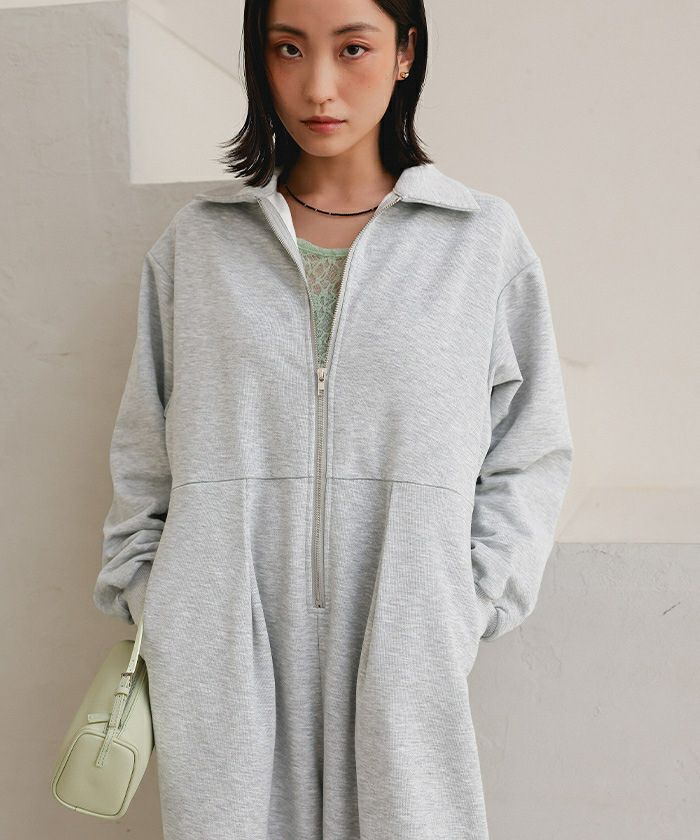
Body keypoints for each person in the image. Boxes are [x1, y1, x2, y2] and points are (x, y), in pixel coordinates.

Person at [93, 1, 574, 838]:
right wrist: (160, 602)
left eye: (353, 48)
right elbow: (144, 451)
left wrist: (464, 600)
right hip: (222, 647)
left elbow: (529, 451)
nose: (318, 86)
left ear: (405, 52)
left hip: (404, 642)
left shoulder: (478, 242)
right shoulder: (198, 245)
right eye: (288, 49)